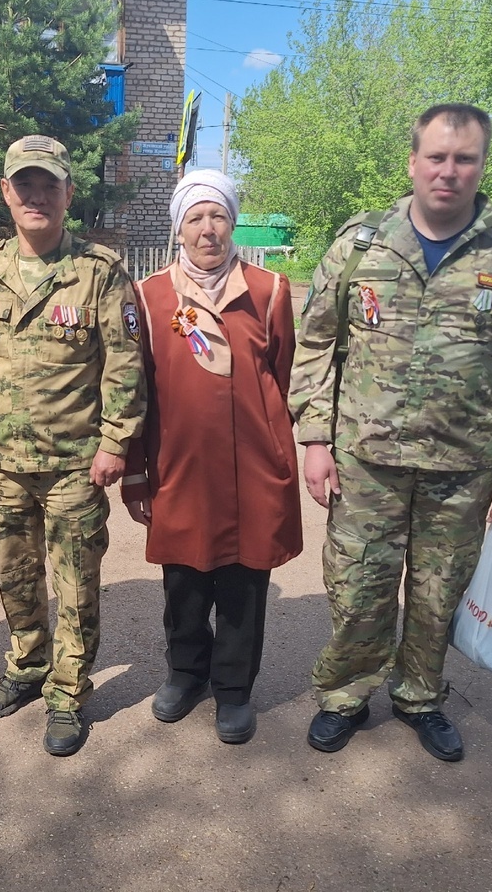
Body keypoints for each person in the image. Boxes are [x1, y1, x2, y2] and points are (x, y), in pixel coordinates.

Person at [290, 103, 492, 761]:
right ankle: (346, 695)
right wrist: (316, 442)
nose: (449, 171)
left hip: (462, 467)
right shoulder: (362, 244)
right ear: (413, 163)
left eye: (464, 158)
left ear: (481, 165)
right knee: (359, 588)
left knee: (439, 595)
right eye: (436, 157)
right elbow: (316, 344)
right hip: (367, 461)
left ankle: (418, 696)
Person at [0, 135, 145, 757]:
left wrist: (116, 441)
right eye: (24, 185)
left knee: (77, 582)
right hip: (4, 463)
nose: (37, 196)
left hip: (74, 464)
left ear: (68, 193)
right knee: (15, 577)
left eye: (49, 185)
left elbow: (124, 362)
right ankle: (28, 665)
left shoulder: (99, 272)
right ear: (7, 193)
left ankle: (68, 691)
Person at [120, 169, 301, 745]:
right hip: (180, 468)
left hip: (252, 469)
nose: (208, 229)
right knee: (185, 581)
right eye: (195, 217)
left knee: (245, 583)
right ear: (178, 228)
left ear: (232, 223)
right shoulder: (149, 298)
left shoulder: (269, 291)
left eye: (218, 216)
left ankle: (233, 689)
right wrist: (134, 470)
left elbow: (286, 375)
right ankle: (185, 674)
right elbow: (135, 389)